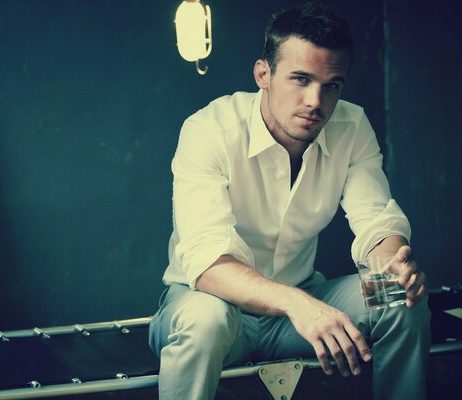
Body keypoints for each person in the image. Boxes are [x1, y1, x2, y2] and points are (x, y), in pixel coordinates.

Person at [148, 2, 431, 400]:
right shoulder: (208, 130)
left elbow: (376, 220)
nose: (316, 101)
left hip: (300, 312)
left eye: (332, 84)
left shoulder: (351, 126)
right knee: (204, 320)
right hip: (215, 309)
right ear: (263, 74)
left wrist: (392, 261)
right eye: (301, 79)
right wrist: (298, 305)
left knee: (399, 296)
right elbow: (207, 263)